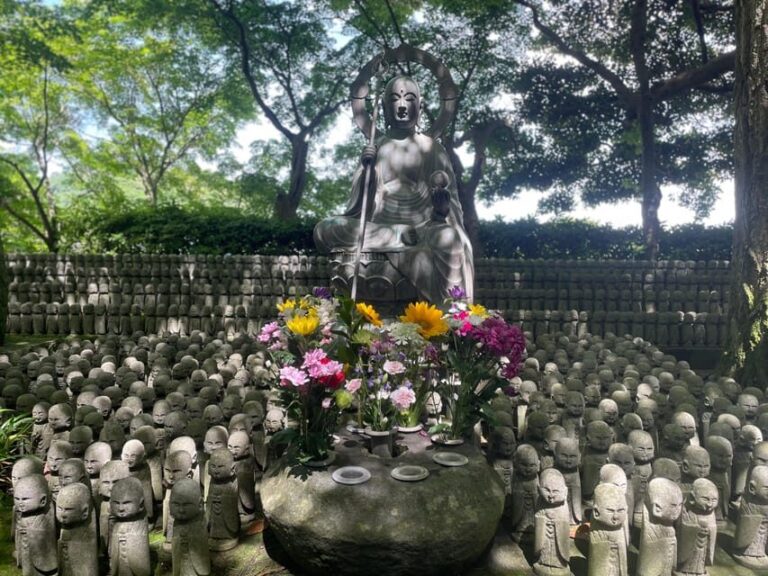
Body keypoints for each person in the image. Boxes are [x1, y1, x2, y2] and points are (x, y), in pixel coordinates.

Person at [314, 75, 474, 304]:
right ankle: (400, 235)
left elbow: (452, 208)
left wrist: (441, 211)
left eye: (409, 99)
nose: (401, 106)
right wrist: (367, 172)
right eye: (394, 99)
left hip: (424, 228)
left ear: (420, 107)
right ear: (384, 108)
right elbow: (358, 208)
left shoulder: (433, 149)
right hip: (381, 227)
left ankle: (452, 313)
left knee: (449, 238)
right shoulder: (376, 147)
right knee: (326, 229)